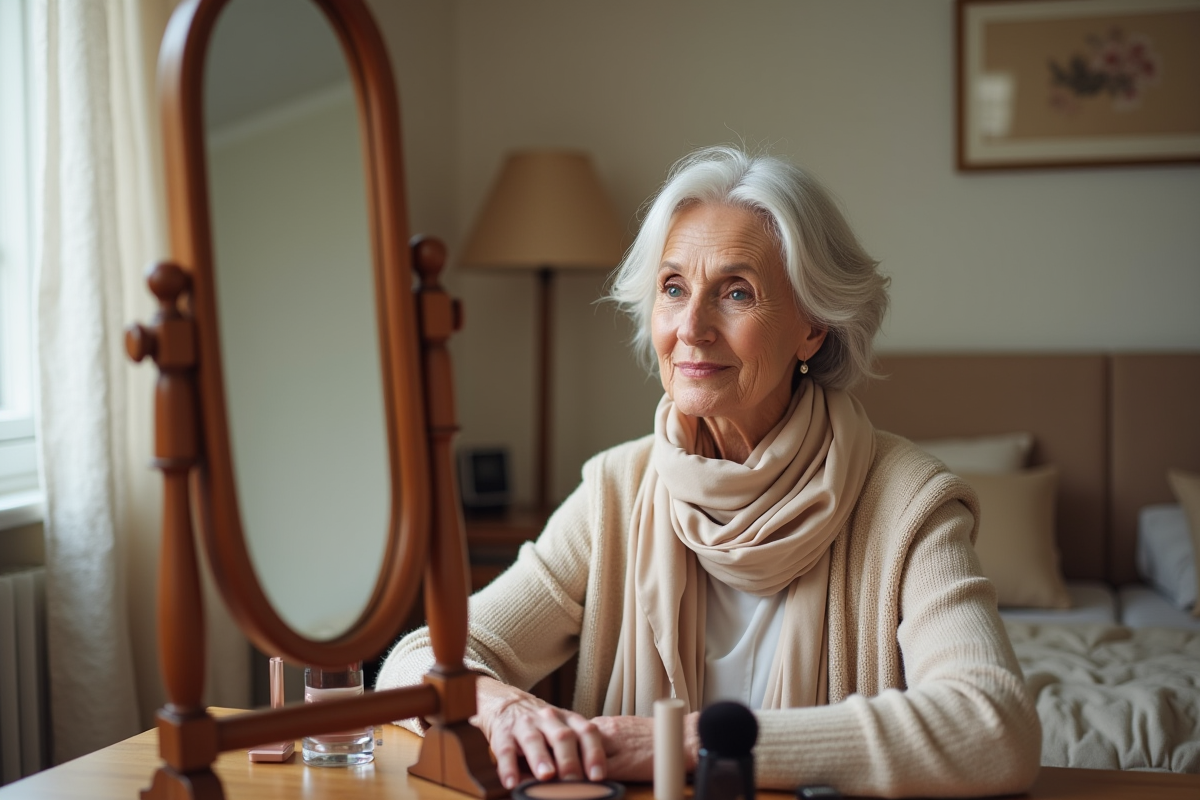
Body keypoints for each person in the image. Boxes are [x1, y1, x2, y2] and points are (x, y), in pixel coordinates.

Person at [376, 146, 1041, 797]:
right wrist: (502, 709)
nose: (691, 327)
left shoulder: (909, 502)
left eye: (736, 292)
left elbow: (993, 727)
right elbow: (415, 664)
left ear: (813, 327)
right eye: (673, 288)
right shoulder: (616, 492)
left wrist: (684, 743)